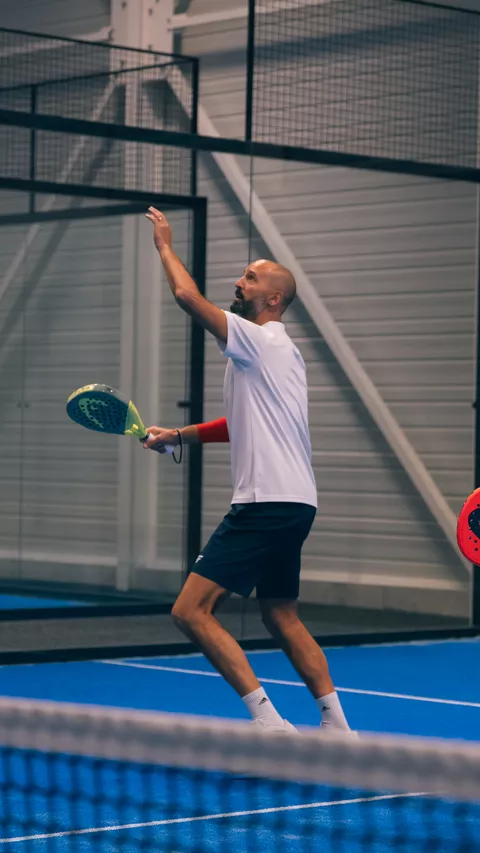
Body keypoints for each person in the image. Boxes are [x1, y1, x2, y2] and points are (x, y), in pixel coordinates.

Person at [144, 206, 354, 736]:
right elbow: (241, 425)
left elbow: (187, 299)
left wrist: (166, 247)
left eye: (251, 278)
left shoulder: (259, 341)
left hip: (264, 504)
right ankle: (338, 727)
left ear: (273, 299)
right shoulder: (280, 354)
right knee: (280, 615)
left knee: (190, 611)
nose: (240, 282)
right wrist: (178, 435)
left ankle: (268, 720)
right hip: (296, 504)